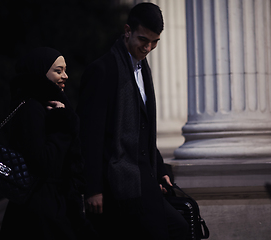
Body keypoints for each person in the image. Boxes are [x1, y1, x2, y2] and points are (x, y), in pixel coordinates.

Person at [77, 3, 188, 240]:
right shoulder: (103, 70)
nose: (148, 47)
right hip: (118, 182)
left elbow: (144, 128)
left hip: (143, 177)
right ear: (127, 30)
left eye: (155, 41)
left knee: (179, 227)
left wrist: (159, 170)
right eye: (143, 39)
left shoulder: (142, 69)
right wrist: (93, 188)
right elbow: (90, 135)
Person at [0, 47, 96, 240]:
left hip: (51, 203)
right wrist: (62, 124)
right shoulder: (32, 109)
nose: (65, 76)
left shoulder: (45, 105)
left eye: (65, 70)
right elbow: (42, 162)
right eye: (58, 71)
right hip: (40, 211)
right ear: (40, 71)